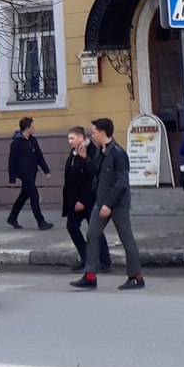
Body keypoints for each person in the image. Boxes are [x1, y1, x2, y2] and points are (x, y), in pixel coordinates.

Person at [71, 117, 145, 291]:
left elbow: (122, 183)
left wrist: (109, 205)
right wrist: (84, 158)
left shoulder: (118, 153)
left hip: (117, 204)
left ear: (103, 133)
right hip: (101, 201)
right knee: (92, 234)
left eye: (94, 132)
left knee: (127, 239)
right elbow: (96, 172)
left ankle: (136, 276)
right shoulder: (101, 151)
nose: (92, 135)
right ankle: (90, 276)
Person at [62, 126, 111, 272]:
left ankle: (105, 260)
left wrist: (83, 200)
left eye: (72, 138)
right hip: (73, 200)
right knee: (72, 227)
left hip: (88, 200)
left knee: (95, 230)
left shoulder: (92, 151)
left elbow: (93, 177)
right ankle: (86, 257)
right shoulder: (74, 152)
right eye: (69, 138)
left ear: (81, 138)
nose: (69, 141)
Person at [7, 116, 54, 230]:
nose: (34, 128)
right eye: (32, 126)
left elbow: (39, 156)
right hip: (24, 173)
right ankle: (41, 222)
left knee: (24, 196)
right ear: (27, 128)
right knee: (34, 196)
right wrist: (12, 179)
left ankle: (12, 218)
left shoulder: (33, 140)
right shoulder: (16, 143)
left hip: (32, 172)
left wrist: (46, 170)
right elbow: (12, 161)